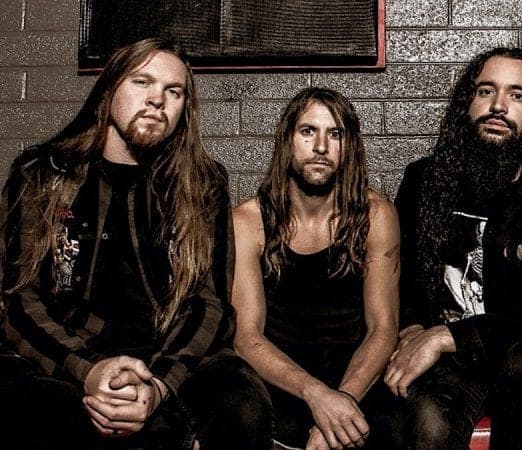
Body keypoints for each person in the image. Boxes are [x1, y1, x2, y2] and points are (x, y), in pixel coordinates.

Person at [0, 38, 271, 450]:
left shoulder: (203, 184)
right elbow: (20, 298)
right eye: (142, 82)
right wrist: (89, 370)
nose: (157, 99)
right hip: (68, 354)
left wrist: (160, 384)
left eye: (173, 91)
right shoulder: (42, 173)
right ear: (110, 89)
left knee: (244, 405)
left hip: (167, 355)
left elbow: (209, 304)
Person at [387, 47, 522, 449]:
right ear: (467, 103)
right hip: (450, 365)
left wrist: (446, 337)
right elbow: (402, 281)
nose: (498, 106)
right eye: (486, 91)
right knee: (426, 420)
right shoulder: (424, 180)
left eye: (517, 95)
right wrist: (411, 331)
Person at [231, 87, 400, 450]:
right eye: (308, 131)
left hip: (355, 379)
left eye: (334, 134)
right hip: (280, 381)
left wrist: (342, 403)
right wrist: (317, 395)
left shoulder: (376, 215)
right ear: (287, 140)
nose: (321, 146)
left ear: (348, 146)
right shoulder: (248, 220)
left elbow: (383, 329)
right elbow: (247, 336)